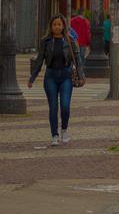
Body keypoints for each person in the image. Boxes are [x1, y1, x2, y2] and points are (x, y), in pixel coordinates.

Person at [28, 15, 83, 146]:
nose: (57, 27)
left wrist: (81, 76)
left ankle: (64, 129)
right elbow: (40, 60)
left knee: (65, 106)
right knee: (53, 107)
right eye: (54, 25)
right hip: (50, 76)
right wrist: (32, 77)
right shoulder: (45, 41)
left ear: (63, 26)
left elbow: (78, 59)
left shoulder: (70, 40)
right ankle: (54, 135)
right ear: (51, 27)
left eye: (59, 24)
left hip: (66, 76)